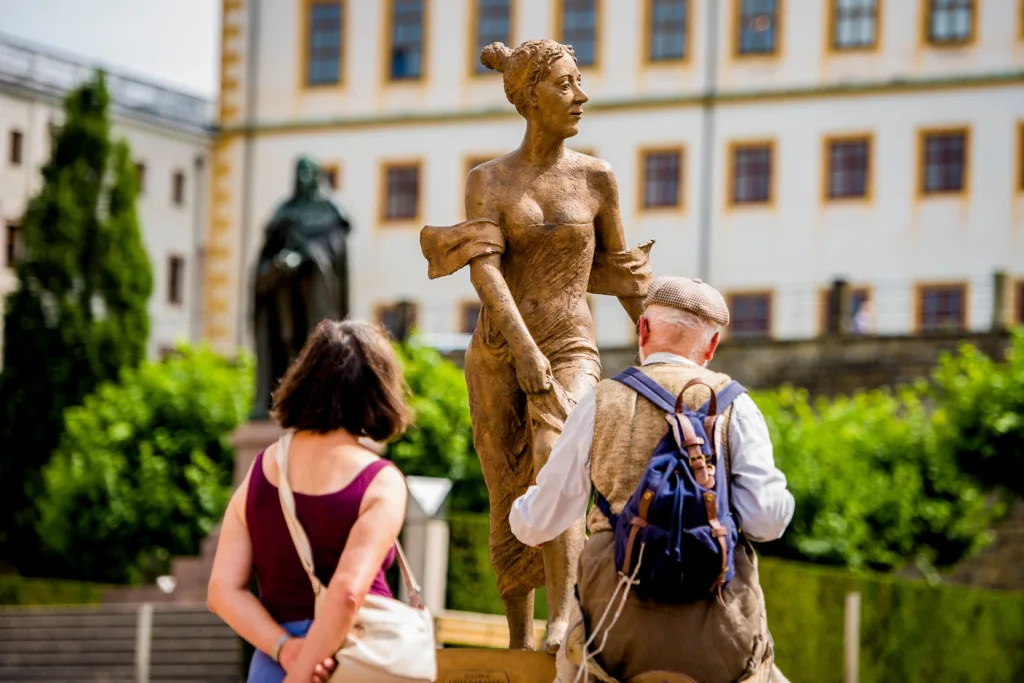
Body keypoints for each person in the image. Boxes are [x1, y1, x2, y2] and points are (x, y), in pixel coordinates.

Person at [419, 39, 652, 651]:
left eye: (579, 83)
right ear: (528, 96)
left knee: (556, 456)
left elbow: (624, 270)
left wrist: (660, 351)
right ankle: (519, 640)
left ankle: (564, 616)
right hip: (499, 348)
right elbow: (485, 270)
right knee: (506, 493)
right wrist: (522, 349)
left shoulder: (596, 177)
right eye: (565, 84)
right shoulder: (489, 180)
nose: (581, 96)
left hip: (572, 342)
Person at [509, 276, 795, 682]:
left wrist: (521, 517)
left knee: (571, 668)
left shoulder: (601, 398)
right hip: (720, 633)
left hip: (612, 624)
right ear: (712, 347)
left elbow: (544, 517)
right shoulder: (738, 406)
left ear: (642, 329)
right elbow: (767, 521)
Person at [207, 320, 413, 683]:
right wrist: (303, 673)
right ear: (379, 389)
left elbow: (222, 591)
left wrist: (286, 649)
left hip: (274, 664)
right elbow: (348, 593)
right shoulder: (380, 481)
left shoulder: (260, 470)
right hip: (355, 660)